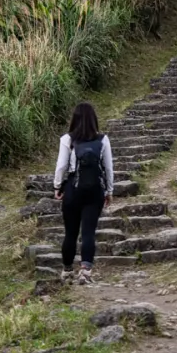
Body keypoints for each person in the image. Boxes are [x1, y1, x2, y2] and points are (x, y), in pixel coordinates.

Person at [53, 102, 113, 284]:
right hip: (95, 190)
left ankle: (67, 271)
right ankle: (85, 271)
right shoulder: (102, 140)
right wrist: (109, 190)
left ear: (75, 119)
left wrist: (57, 186)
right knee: (88, 232)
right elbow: (109, 168)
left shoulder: (67, 139)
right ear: (94, 118)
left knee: (70, 233)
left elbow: (61, 166)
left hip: (73, 189)